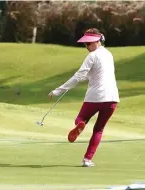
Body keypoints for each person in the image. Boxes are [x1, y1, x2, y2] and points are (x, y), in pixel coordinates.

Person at [48, 28, 120, 167]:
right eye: (85, 44)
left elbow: (78, 76)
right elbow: (97, 73)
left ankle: (80, 125)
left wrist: (57, 91)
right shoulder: (109, 54)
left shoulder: (92, 56)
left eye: (89, 44)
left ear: (98, 41)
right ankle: (87, 159)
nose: (87, 47)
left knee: (80, 119)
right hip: (112, 99)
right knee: (98, 130)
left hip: (95, 96)